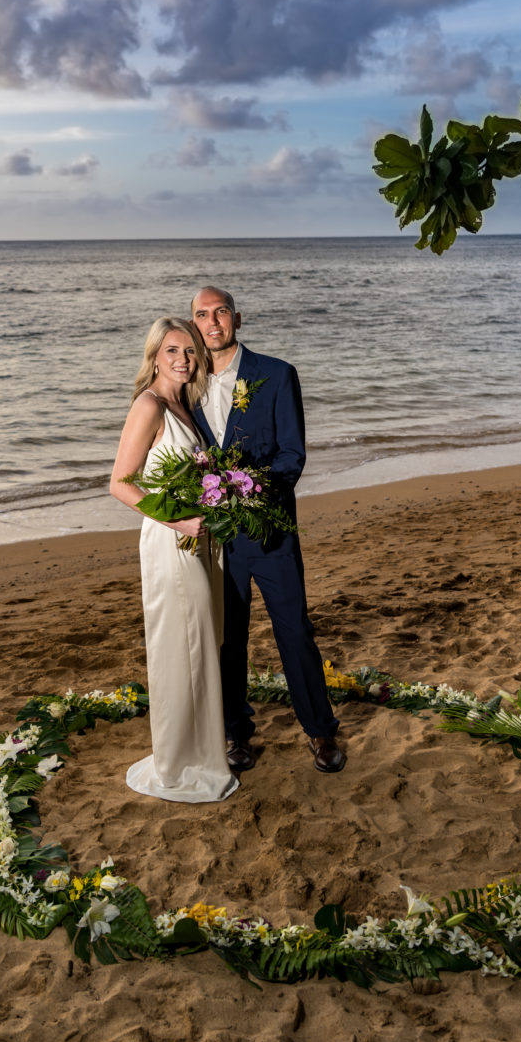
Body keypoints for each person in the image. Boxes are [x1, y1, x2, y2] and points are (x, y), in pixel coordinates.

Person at [190, 285, 345, 774]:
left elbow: (292, 455)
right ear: (193, 325)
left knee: (294, 631)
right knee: (227, 640)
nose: (212, 323)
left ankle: (320, 730)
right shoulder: (185, 382)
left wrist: (252, 495)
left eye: (220, 313)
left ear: (237, 318)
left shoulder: (276, 375)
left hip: (271, 534)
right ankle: (236, 734)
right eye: (202, 315)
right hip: (216, 542)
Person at [110, 316, 238, 803]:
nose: (183, 360)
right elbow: (120, 483)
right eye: (172, 352)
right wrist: (180, 522)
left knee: (201, 641)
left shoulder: (183, 404)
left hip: (200, 541)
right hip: (172, 542)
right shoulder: (148, 405)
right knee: (180, 645)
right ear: (154, 357)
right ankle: (180, 761)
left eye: (189, 351)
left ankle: (202, 751)